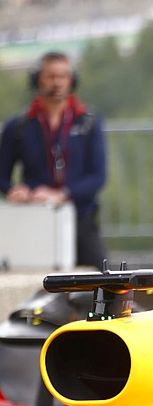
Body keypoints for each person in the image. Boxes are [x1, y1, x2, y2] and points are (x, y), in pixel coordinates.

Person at [0, 51, 107, 268]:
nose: (57, 82)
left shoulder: (88, 123)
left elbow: (98, 176)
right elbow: (2, 176)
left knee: (103, 277)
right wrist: (13, 190)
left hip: (80, 216)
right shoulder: (18, 126)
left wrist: (62, 194)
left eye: (63, 76)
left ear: (71, 80)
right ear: (38, 79)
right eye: (51, 76)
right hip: (34, 217)